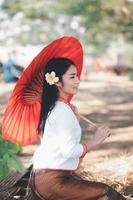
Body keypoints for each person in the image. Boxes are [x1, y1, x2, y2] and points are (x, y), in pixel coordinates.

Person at [30, 57, 126, 200]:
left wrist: (75, 119)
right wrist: (95, 140)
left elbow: (61, 145)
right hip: (53, 181)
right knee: (107, 192)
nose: (78, 81)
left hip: (43, 178)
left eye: (77, 76)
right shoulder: (61, 111)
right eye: (72, 76)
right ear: (56, 81)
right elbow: (69, 151)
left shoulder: (55, 107)